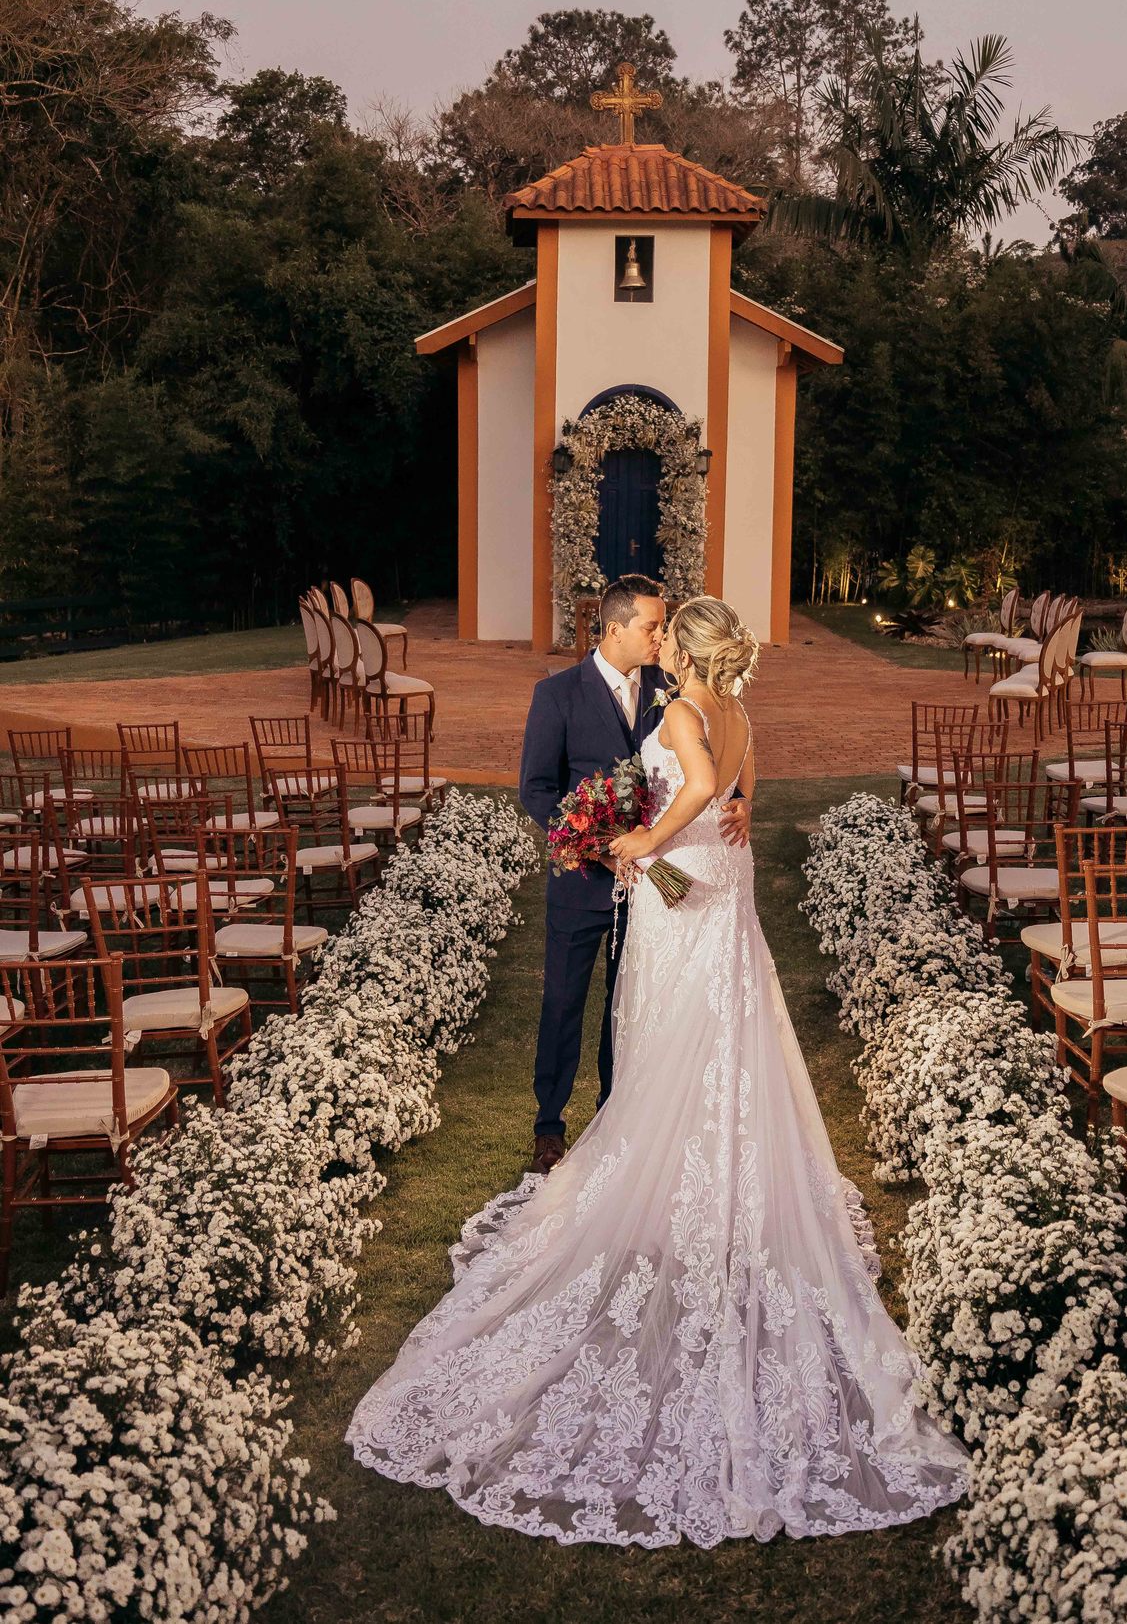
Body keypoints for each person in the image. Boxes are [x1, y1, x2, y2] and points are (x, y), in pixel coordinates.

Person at [347, 595, 969, 1547]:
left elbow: (704, 787)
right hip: (717, 892)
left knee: (676, 1026)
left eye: (672, 632)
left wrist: (644, 837)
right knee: (719, 1032)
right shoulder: (737, 706)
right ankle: (701, 1159)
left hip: (686, 888)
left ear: (689, 647)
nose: (662, 640)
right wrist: (726, 815)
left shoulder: (681, 711)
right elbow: (739, 787)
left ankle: (664, 1164)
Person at [515, 574, 748, 1176]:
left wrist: (740, 799)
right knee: (565, 1001)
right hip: (583, 882)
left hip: (653, 886)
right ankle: (549, 1124)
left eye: (665, 627)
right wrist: (590, 842)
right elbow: (536, 790)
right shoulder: (558, 695)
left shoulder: (671, 694)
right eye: (651, 626)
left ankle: (617, 1115)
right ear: (614, 628)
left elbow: (712, 763)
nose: (660, 636)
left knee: (634, 1004)